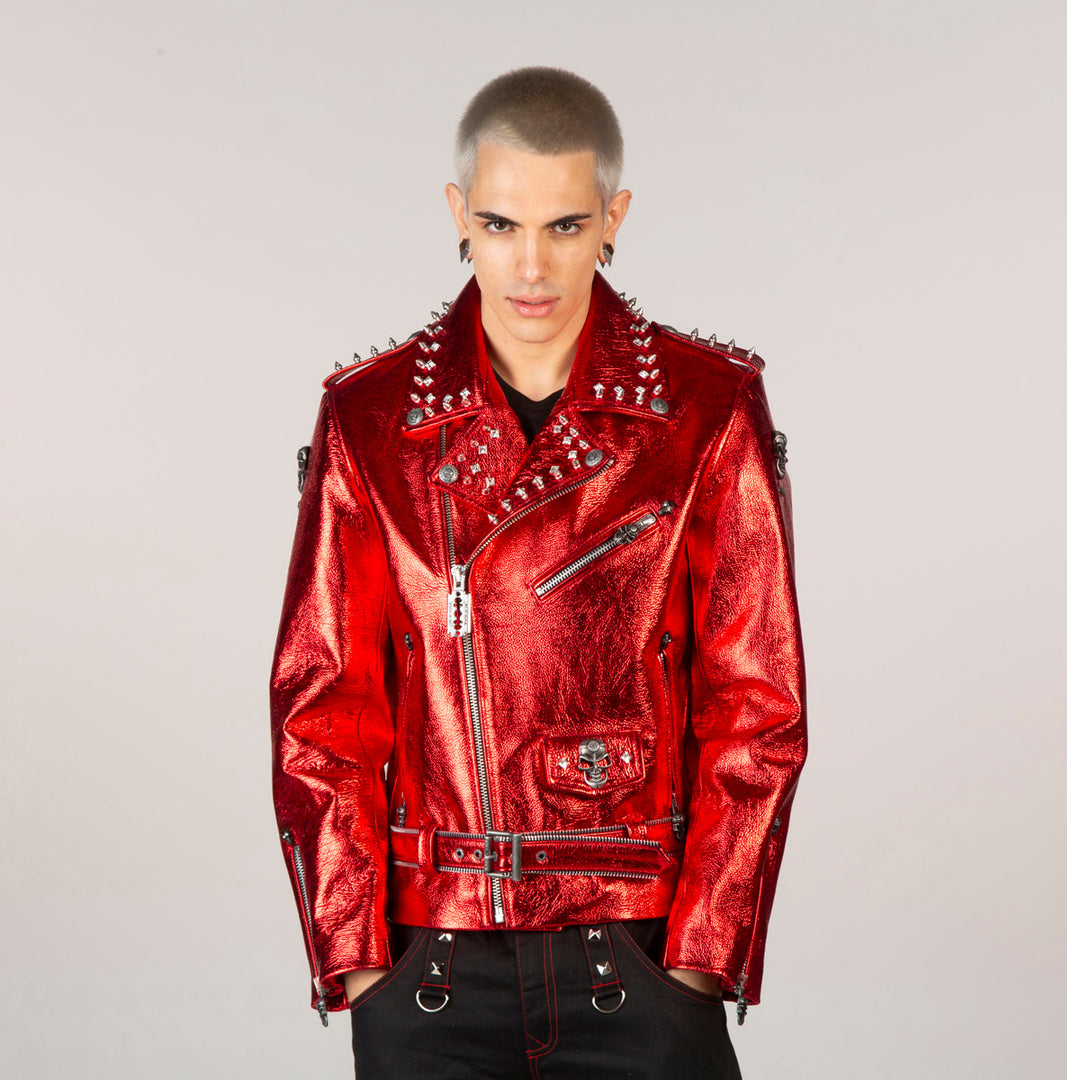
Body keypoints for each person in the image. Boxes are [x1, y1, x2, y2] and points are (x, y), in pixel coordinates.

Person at [271, 66, 807, 1079]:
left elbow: (757, 705)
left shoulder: (703, 407)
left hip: (638, 951)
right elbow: (322, 706)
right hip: (432, 963)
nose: (530, 265)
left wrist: (702, 958)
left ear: (613, 220)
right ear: (458, 217)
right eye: (500, 224)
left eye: (565, 226)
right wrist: (357, 962)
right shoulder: (373, 419)